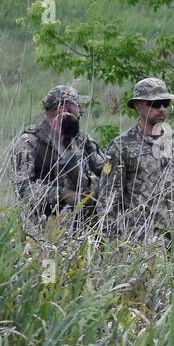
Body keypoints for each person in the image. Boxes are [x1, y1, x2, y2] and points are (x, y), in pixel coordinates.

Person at [98, 77, 174, 244]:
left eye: (165, 103)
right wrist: (111, 243)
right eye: (155, 104)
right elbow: (108, 201)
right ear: (138, 105)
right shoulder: (122, 147)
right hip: (139, 244)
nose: (162, 109)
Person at [7, 84, 106, 235]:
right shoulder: (29, 142)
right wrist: (64, 195)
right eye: (77, 106)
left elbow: (103, 168)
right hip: (44, 227)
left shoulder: (80, 139)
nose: (81, 111)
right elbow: (23, 189)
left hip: (85, 223)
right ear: (63, 109)